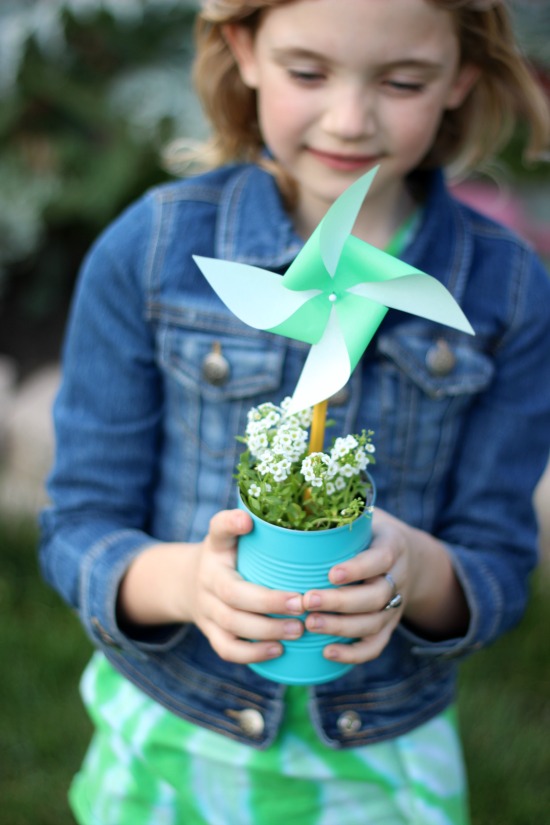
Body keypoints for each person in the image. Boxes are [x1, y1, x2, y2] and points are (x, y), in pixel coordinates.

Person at [39, 1, 550, 823]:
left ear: (462, 74)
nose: (350, 118)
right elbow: (77, 524)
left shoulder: (510, 292)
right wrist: (186, 585)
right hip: (175, 731)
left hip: (380, 751)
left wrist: (415, 572)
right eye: (307, 72)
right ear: (242, 47)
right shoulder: (148, 253)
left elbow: (496, 565)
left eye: (403, 80)